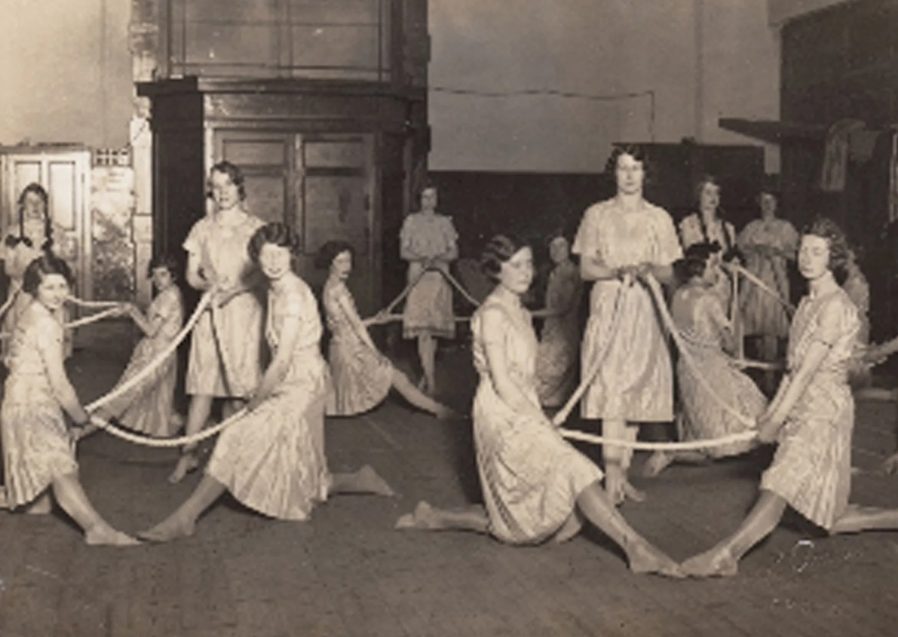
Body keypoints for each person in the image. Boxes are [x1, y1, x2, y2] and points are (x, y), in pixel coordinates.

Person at [395, 235, 681, 577]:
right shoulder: (492, 315)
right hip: (500, 414)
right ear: (496, 270)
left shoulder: (522, 311)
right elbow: (502, 383)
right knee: (571, 470)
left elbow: (528, 376)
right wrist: (540, 421)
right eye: (515, 265)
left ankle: (435, 516)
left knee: (519, 515)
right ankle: (637, 548)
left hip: (524, 406)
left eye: (529, 263)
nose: (525, 272)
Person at [139, 224, 394, 542]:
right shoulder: (276, 286)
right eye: (266, 255)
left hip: (302, 384)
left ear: (293, 254)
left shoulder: (292, 296)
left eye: (281, 253)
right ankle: (359, 479)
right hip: (295, 380)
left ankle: (185, 517)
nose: (273, 261)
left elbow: (284, 358)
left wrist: (257, 401)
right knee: (307, 474)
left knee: (236, 434)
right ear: (257, 259)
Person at [682, 218, 898, 578]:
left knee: (778, 482)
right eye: (804, 250)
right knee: (827, 518)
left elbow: (807, 372)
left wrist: (775, 420)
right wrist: (772, 414)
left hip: (824, 412)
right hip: (804, 405)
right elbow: (790, 369)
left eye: (817, 252)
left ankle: (727, 554)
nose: (807, 258)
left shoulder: (834, 306)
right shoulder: (807, 302)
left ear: (834, 258)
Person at [0, 255, 138, 545]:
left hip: (20, 400)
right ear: (35, 288)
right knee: (59, 465)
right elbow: (61, 386)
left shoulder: (32, 311)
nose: (58, 293)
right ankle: (96, 529)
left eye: (62, 286)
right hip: (30, 404)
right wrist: (80, 419)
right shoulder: (46, 324)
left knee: (41, 503)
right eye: (49, 287)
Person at [572, 145, 683, 504]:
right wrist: (617, 270)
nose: (630, 175)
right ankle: (611, 482)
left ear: (645, 174)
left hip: (645, 309)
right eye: (623, 168)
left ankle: (620, 474)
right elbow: (586, 268)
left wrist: (648, 269)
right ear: (614, 173)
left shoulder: (660, 218)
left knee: (638, 393)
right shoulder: (596, 215)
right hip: (609, 306)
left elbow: (669, 272)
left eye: (636, 168)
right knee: (612, 390)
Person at [169, 161, 266, 483]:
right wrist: (206, 286)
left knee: (239, 389)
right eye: (216, 185)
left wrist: (234, 289)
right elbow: (190, 276)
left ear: (240, 187)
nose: (222, 192)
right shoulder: (201, 228)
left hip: (243, 314)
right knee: (202, 387)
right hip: (210, 313)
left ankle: (233, 461)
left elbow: (263, 273)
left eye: (228, 185)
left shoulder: (256, 228)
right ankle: (188, 455)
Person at [642, 243, 767, 477]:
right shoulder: (709, 300)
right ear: (700, 269)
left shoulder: (678, 295)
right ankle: (673, 452)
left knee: (702, 443)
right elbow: (729, 345)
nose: (716, 273)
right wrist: (731, 330)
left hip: (687, 374)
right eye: (713, 266)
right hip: (712, 374)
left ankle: (672, 451)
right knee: (754, 414)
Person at [317, 240, 457, 419]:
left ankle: (439, 411)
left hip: (341, 346)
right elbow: (357, 326)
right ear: (330, 264)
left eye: (348, 261)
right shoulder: (339, 290)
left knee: (399, 380)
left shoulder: (329, 286)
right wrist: (375, 353)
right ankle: (441, 411)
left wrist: (376, 320)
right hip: (352, 350)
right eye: (340, 262)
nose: (347, 266)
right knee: (399, 379)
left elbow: (346, 324)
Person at [80, 254, 185, 439]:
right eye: (154, 275)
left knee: (124, 394)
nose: (158, 280)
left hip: (156, 355)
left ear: (173, 275)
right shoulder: (170, 293)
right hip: (158, 352)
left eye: (163, 274)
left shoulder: (169, 297)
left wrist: (132, 311)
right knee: (156, 399)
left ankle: (79, 432)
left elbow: (151, 331)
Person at [0, 183, 74, 359]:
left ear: (45, 205)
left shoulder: (56, 231)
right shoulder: (12, 233)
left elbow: (64, 267)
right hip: (22, 294)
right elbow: (8, 269)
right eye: (30, 201)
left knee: (51, 344)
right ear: (22, 205)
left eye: (39, 201)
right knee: (22, 344)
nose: (34, 206)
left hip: (50, 296)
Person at [737, 188, 799, 392]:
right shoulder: (751, 228)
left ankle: (771, 378)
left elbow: (794, 256)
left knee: (771, 330)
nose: (767, 205)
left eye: (771, 201)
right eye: (764, 201)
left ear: (777, 203)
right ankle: (758, 375)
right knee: (755, 329)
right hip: (754, 282)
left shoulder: (785, 228)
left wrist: (776, 252)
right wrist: (756, 251)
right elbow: (741, 252)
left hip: (775, 282)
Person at [400, 182, 459, 396]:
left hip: (439, 277)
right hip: (418, 277)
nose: (429, 201)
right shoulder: (411, 222)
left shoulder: (445, 222)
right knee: (422, 330)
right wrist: (422, 258)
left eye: (432, 197)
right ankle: (432, 381)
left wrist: (438, 258)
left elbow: (454, 253)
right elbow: (404, 252)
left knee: (432, 330)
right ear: (419, 200)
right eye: (425, 197)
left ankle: (426, 375)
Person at [533, 233, 583, 408]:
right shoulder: (555, 272)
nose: (556, 251)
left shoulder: (569, 273)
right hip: (551, 333)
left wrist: (529, 314)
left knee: (547, 386)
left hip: (563, 336)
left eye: (561, 246)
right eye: (552, 247)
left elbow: (562, 309)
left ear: (569, 248)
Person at [678, 175, 738, 306]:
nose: (713, 197)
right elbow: (692, 257)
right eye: (708, 192)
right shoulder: (688, 224)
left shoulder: (728, 228)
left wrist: (734, 263)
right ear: (699, 195)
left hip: (723, 290)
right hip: (699, 290)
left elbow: (730, 257)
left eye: (717, 193)